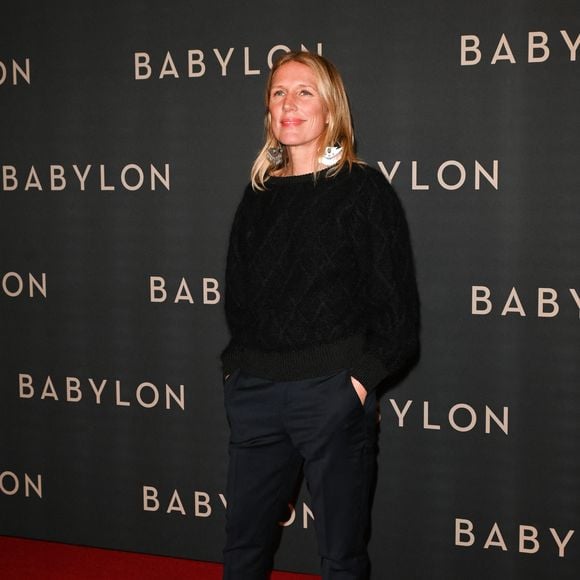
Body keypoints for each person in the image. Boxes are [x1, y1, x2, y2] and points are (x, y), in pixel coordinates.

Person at [220, 51, 420, 580]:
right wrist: (236, 372)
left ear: (330, 109)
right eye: (279, 92)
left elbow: (397, 313)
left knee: (341, 557)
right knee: (242, 551)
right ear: (268, 109)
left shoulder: (363, 191)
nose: (289, 103)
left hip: (332, 394)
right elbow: (237, 298)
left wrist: (355, 386)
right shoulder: (257, 197)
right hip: (255, 395)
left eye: (304, 91)